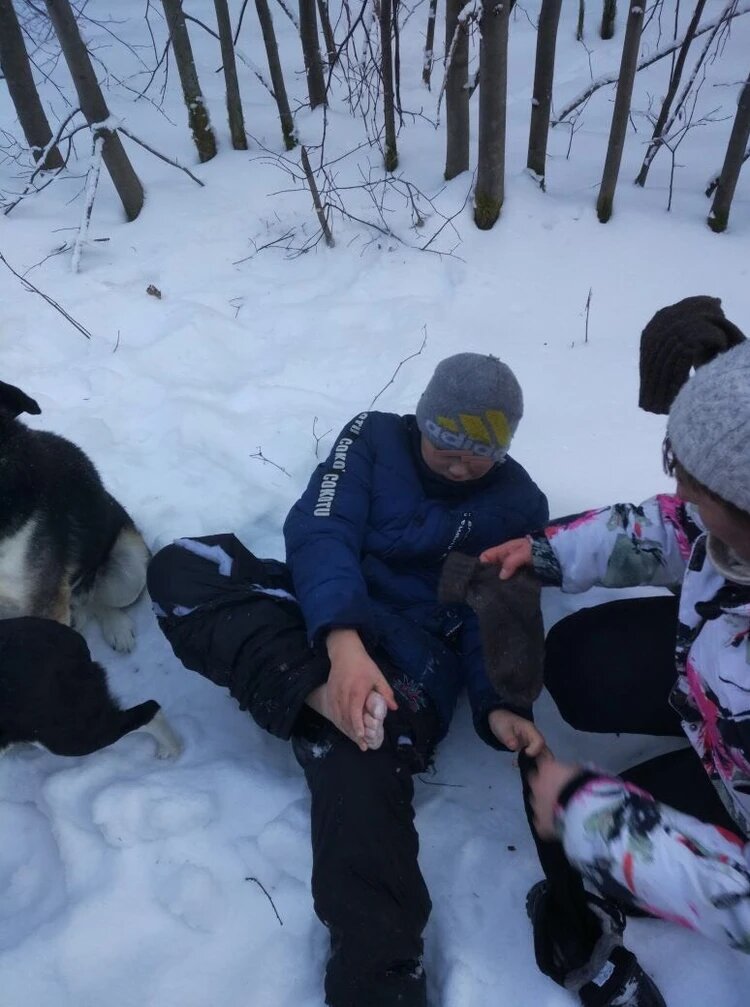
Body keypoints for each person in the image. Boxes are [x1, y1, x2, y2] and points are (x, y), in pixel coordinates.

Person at [146, 352, 548, 1007]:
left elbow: (499, 610)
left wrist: (504, 701)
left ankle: (380, 973)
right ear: (422, 418)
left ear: (503, 447)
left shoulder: (516, 504)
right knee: (182, 569)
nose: (456, 459)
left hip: (408, 663)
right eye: (445, 438)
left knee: (361, 753)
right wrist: (340, 641)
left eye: (478, 449)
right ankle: (317, 691)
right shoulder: (374, 439)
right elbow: (322, 528)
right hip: (320, 611)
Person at [481, 332, 750, 1005]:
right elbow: (675, 526)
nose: (677, 482)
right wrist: (548, 553)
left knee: (593, 851)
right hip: (723, 717)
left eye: (693, 473)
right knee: (578, 663)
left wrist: (603, 820)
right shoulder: (725, 523)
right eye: (675, 457)